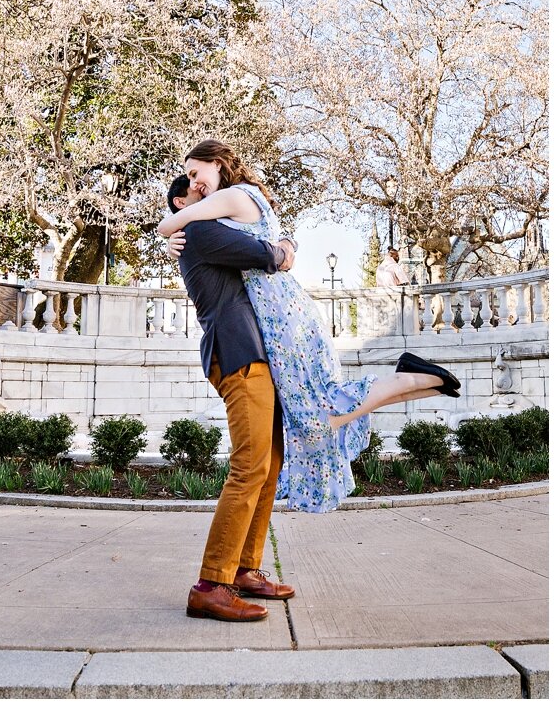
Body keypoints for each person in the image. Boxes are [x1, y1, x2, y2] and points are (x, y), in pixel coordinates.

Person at [159, 140, 460, 516]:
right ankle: (418, 379)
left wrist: (171, 233)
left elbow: (170, 221)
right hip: (282, 313)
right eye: (188, 179)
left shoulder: (233, 196)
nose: (195, 183)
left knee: (313, 416)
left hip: (281, 316)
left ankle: (408, 378)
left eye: (195, 173)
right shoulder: (238, 200)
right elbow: (268, 240)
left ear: (217, 163)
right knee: (315, 413)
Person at [163, 175, 298, 622]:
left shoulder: (203, 228)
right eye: (198, 191)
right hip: (238, 354)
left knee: (269, 464)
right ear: (183, 203)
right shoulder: (199, 230)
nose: (210, 194)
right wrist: (283, 249)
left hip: (255, 355)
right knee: (249, 467)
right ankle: (210, 584)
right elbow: (260, 252)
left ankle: (243, 570)